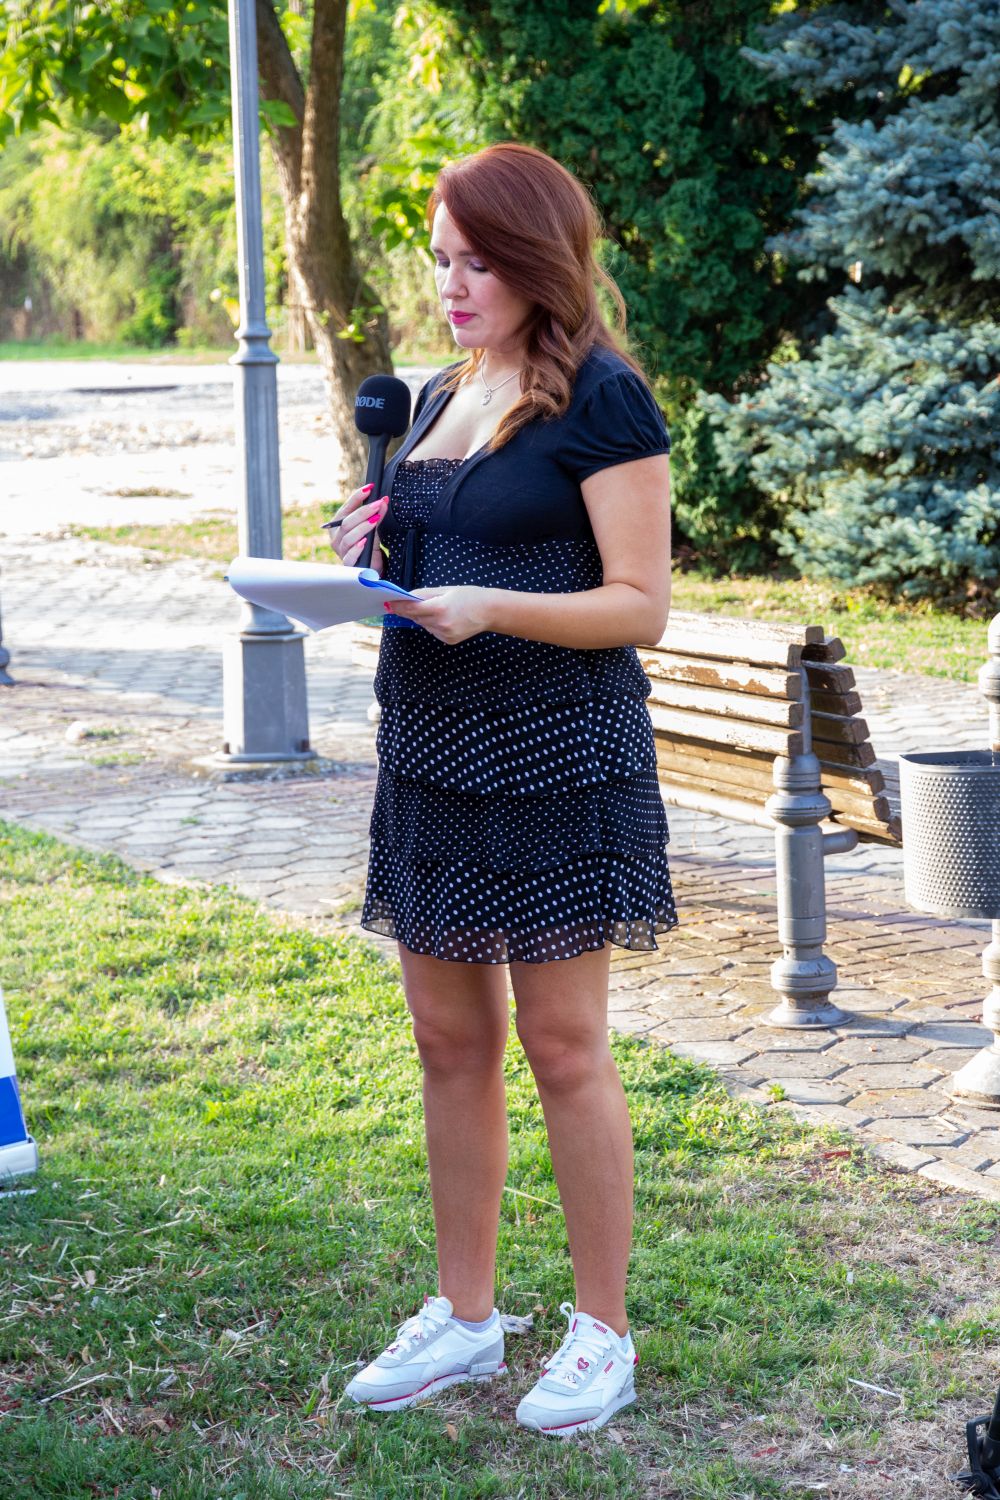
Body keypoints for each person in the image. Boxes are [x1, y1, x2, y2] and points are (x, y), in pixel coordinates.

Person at [326, 142, 675, 1438]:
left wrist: (492, 603)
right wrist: (363, 553)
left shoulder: (603, 399)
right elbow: (424, 567)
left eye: (478, 261)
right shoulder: (433, 396)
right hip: (433, 751)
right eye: (440, 260)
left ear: (536, 260)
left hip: (558, 756)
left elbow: (640, 605)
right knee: (448, 1042)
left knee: (564, 1046)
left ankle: (602, 1333)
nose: (452, 284)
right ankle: (466, 1318)